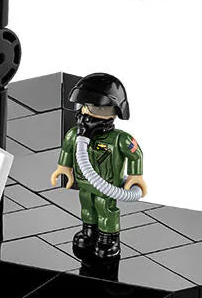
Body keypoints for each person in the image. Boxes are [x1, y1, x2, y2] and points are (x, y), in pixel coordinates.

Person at [49, 72, 146, 261]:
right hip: (85, 185)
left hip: (106, 187)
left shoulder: (120, 140)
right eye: (85, 106)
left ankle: (109, 239)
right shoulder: (75, 135)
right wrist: (64, 167)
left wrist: (135, 176)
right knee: (87, 205)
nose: (87, 114)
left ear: (114, 111)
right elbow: (68, 149)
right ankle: (89, 232)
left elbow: (136, 154)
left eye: (96, 108)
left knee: (105, 208)